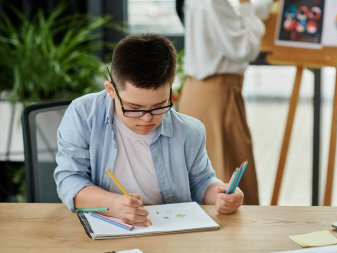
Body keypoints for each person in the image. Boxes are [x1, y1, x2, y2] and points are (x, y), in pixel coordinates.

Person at [54, 34, 244, 227]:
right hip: (107, 226)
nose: (147, 118)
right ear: (111, 90)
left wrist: (221, 194)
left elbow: (201, 182)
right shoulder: (83, 114)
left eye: (159, 106)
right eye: (134, 108)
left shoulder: (189, 131)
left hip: (169, 230)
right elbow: (69, 180)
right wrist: (114, 205)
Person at [177, 0, 272, 205]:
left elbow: (236, 17)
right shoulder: (214, 2)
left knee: (215, 175)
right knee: (227, 180)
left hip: (201, 92)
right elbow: (243, 49)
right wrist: (247, 7)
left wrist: (251, 7)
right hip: (217, 95)